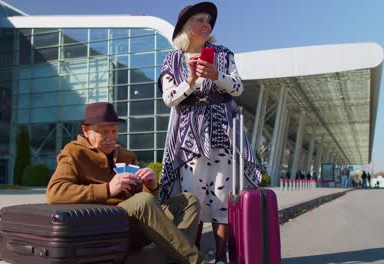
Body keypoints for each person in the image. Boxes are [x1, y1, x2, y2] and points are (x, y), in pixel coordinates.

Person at [158, 2, 262, 263]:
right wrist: (191, 80)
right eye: (200, 20)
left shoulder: (223, 54)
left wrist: (216, 75)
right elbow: (169, 99)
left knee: (221, 199)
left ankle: (223, 257)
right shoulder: (172, 59)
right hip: (189, 138)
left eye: (208, 21)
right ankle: (194, 257)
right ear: (186, 27)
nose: (206, 25)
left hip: (222, 133)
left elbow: (237, 88)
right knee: (193, 202)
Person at [46, 102, 208, 264]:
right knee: (142, 202)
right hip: (104, 225)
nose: (111, 137)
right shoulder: (73, 153)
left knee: (188, 201)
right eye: (104, 132)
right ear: (86, 131)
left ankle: (176, 259)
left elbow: (145, 202)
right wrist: (107, 189)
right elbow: (55, 192)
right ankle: (197, 261)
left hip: (132, 224)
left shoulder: (126, 155)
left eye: (114, 131)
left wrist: (151, 186)